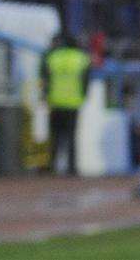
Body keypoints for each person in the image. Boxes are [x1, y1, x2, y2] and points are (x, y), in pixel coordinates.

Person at [41, 32, 91, 175]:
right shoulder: (81, 58)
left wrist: (45, 96)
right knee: (71, 137)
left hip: (55, 101)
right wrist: (83, 96)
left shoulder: (53, 57)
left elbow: (45, 78)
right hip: (73, 102)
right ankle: (72, 168)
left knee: (55, 135)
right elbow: (86, 80)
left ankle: (52, 166)